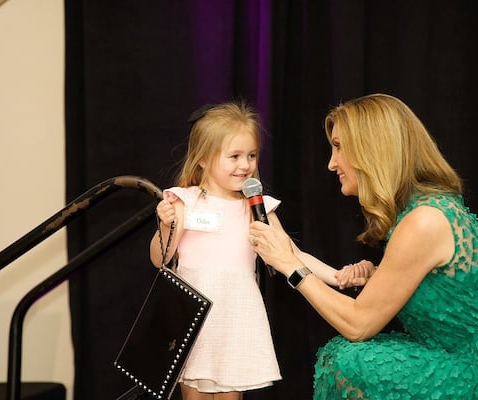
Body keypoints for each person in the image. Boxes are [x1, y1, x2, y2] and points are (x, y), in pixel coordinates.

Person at [248, 93, 478, 399]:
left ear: (372, 149)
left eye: (339, 147)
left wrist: (292, 269)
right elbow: (449, 287)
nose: (331, 164)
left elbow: (358, 325)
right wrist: (378, 275)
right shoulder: (427, 209)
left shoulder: (424, 221)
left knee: (348, 362)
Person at [150, 101, 358, 400]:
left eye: (251, 155)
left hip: (234, 314)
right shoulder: (185, 201)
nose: (245, 165)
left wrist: (336, 276)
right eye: (234, 156)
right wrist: (167, 226)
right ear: (203, 159)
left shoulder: (257, 208)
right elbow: (161, 258)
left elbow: (292, 254)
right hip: (192, 313)